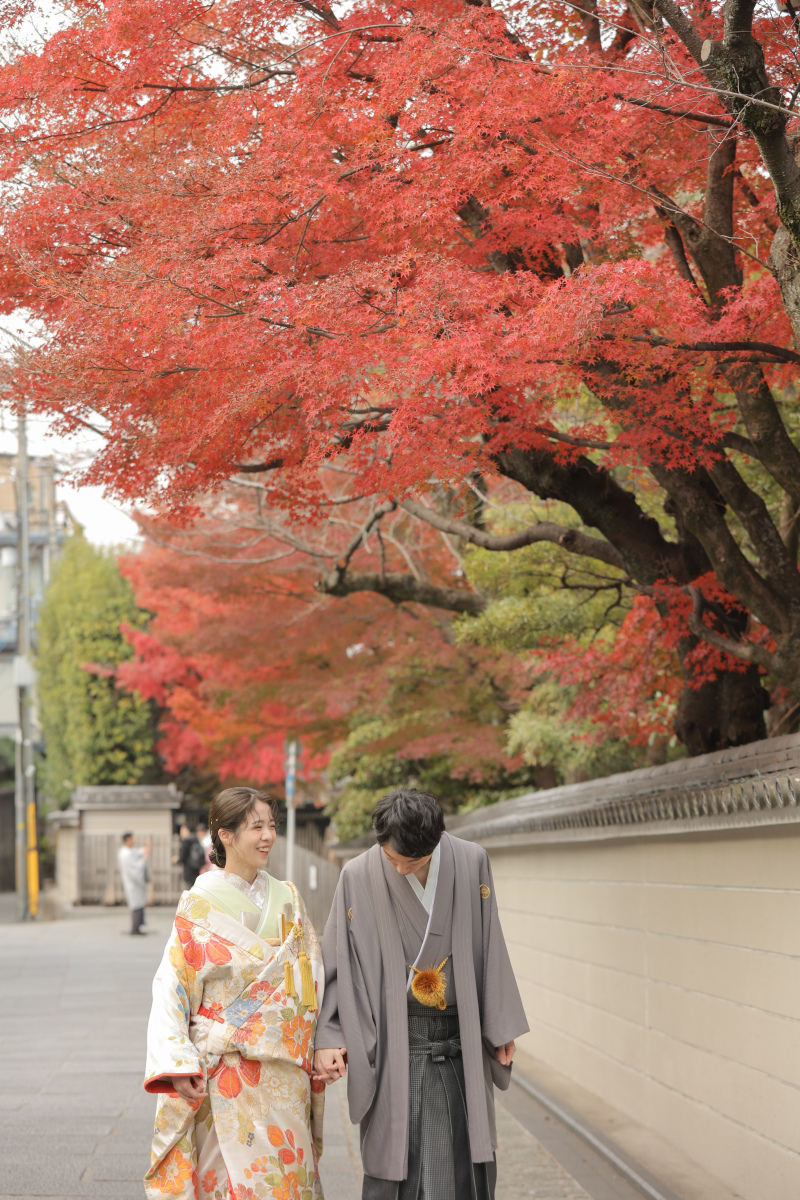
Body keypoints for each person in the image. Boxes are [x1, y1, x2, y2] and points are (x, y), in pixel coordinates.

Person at [313, 787, 528, 1200]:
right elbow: (339, 959)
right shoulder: (357, 875)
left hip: (459, 1040)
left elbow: (490, 942)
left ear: (435, 842)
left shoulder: (471, 860)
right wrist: (330, 1035)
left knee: (467, 1155)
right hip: (397, 1043)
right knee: (397, 1158)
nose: (397, 869)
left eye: (410, 861)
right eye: (390, 858)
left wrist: (501, 1026)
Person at [144, 787, 326, 1200]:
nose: (268, 836)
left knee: (285, 1179)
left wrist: (321, 1043)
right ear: (225, 836)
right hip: (224, 1071)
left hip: (282, 1070)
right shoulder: (199, 904)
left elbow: (312, 975)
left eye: (272, 826)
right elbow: (171, 987)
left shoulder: (288, 898)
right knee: (226, 1184)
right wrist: (177, 1061)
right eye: (256, 827)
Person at [118, 832, 151, 936]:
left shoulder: (126, 851)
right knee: (136, 906)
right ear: (127, 840)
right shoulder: (125, 853)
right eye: (132, 839)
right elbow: (135, 868)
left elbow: (137, 853)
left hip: (134, 883)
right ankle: (135, 928)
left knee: (138, 904)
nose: (134, 841)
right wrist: (144, 858)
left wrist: (145, 850)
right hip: (133, 883)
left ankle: (137, 927)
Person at [173, 822, 206, 889]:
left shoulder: (186, 842)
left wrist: (176, 860)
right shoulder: (196, 840)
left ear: (187, 830)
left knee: (188, 892)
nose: (181, 832)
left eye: (182, 830)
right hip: (196, 871)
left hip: (188, 872)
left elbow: (182, 858)